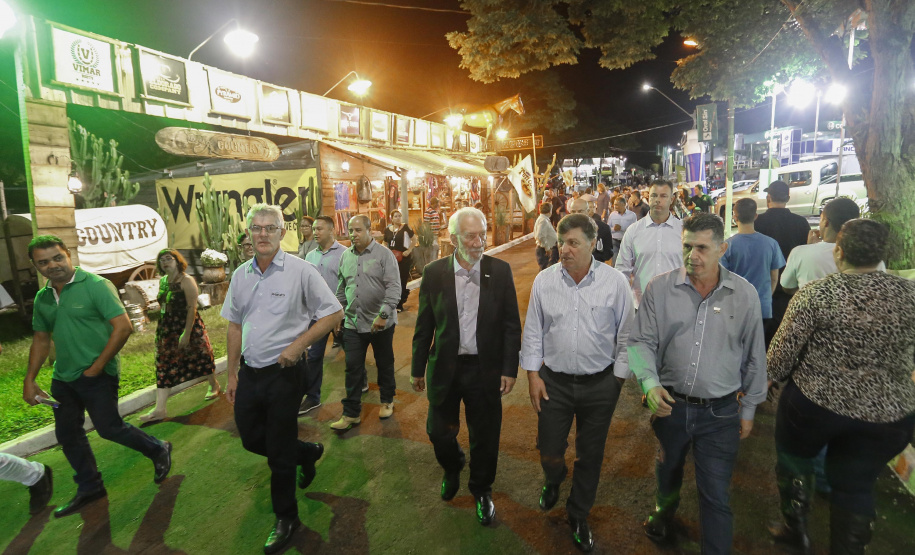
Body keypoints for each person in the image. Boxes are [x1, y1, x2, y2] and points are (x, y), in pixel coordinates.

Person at [767, 219, 915, 555]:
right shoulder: (911, 296)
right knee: (856, 486)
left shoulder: (817, 295)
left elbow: (778, 359)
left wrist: (769, 380)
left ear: (839, 250)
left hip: (814, 406)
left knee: (795, 462)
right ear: (881, 255)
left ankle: (795, 528)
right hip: (887, 416)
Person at [628, 213, 767, 554]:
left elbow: (754, 357)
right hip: (671, 408)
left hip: (720, 414)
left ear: (723, 248)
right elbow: (639, 342)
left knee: (715, 495)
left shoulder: (744, 295)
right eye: (687, 246)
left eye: (702, 248)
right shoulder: (659, 289)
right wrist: (648, 382)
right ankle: (664, 510)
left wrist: (748, 407)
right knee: (668, 467)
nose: (693, 256)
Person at [23, 235, 172, 518]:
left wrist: (97, 367)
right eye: (43, 262)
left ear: (68, 254)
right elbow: (41, 339)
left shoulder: (95, 285)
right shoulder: (43, 298)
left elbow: (123, 327)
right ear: (35, 265)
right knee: (68, 434)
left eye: (57, 258)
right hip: (63, 378)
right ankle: (90, 487)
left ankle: (158, 448)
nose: (52, 265)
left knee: (109, 428)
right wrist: (30, 379)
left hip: (98, 374)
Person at [222, 204, 341, 554]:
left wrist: (298, 344)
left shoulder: (301, 271)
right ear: (249, 233)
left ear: (281, 232)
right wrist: (231, 373)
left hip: (286, 374)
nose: (262, 234)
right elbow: (232, 323)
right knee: (249, 437)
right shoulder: (241, 274)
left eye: (269, 228)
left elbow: (334, 312)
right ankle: (306, 452)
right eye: (256, 228)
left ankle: (286, 517)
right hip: (250, 372)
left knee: (277, 451)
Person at [521, 214, 634, 553]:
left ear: (593, 244)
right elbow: (533, 332)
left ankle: (578, 512)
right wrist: (532, 375)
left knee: (590, 454)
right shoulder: (544, 281)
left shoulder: (614, 283)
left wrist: (616, 380)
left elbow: (627, 334)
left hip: (600, 384)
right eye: (561, 242)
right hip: (553, 382)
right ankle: (553, 479)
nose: (565, 250)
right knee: (550, 448)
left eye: (573, 243)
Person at [411, 207, 521, 527]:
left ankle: (482, 490)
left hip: (484, 369)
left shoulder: (499, 271)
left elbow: (511, 325)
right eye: (470, 236)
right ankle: (452, 464)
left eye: (482, 234)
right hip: (445, 367)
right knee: (437, 431)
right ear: (453, 237)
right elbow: (424, 325)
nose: (478, 242)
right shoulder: (434, 273)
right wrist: (418, 367)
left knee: (485, 435)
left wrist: (509, 368)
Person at [331, 215, 402, 431]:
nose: (353, 234)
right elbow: (342, 288)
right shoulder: (346, 256)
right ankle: (351, 413)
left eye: (358, 230)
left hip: (380, 324)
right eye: (351, 230)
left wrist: (383, 314)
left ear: (370, 230)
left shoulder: (384, 255)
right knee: (353, 368)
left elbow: (393, 287)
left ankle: (387, 400)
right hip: (353, 323)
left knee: (384, 363)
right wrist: (337, 314)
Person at [139, 249, 220, 422]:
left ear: (177, 261)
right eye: (162, 260)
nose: (165, 262)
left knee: (202, 355)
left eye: (169, 259)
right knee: (164, 364)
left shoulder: (187, 280)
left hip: (186, 325)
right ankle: (160, 409)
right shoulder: (163, 281)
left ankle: (214, 384)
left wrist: (187, 333)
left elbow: (192, 308)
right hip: (167, 328)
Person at [753, 181, 811, 346]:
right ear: (788, 198)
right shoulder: (801, 223)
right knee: (784, 341)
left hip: (761, 290)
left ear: (768, 198)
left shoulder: (758, 222)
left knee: (761, 343)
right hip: (789, 291)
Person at [299, 216, 346, 416]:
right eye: (314, 229)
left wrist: (340, 313)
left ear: (331, 230)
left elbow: (348, 284)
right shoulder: (310, 256)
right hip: (317, 315)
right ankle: (313, 397)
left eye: (319, 229)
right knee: (314, 355)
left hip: (339, 314)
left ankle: (359, 381)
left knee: (352, 353)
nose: (315, 232)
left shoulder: (345, 254)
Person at [781, 197, 871, 294]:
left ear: (826, 222)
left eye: (821, 219)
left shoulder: (799, 252)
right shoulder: (869, 256)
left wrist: (809, 248)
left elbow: (788, 287)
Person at [615, 180, 683, 307]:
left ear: (672, 199)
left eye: (663, 196)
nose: (658, 200)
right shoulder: (633, 231)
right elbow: (622, 270)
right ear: (648, 197)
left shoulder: (683, 231)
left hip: (676, 306)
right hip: (641, 307)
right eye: (654, 195)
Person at [720, 198, 786, 327]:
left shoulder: (727, 246)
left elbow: (724, 280)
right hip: (763, 308)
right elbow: (774, 278)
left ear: (735, 217)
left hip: (737, 308)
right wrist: (766, 297)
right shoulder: (771, 243)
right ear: (756, 216)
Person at [383, 209, 415, 311]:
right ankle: (392, 302)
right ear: (391, 218)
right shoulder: (387, 230)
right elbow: (384, 242)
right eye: (395, 216)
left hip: (404, 258)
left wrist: (409, 250)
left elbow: (414, 239)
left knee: (401, 280)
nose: (398, 218)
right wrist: (386, 251)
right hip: (392, 259)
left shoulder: (405, 228)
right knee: (392, 280)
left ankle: (399, 304)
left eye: (399, 216)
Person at [570, 198, 612, 263]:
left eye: (580, 211)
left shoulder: (603, 228)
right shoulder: (565, 228)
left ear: (588, 211)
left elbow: (608, 253)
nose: (576, 214)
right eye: (573, 211)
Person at [607, 196, 637, 262]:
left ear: (623, 204)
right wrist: (614, 229)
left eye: (616, 204)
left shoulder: (632, 215)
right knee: (615, 260)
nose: (615, 206)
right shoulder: (612, 215)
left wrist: (622, 228)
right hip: (615, 241)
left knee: (626, 261)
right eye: (614, 204)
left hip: (627, 242)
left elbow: (635, 230)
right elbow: (608, 228)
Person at [533, 202, 559, 271]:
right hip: (544, 250)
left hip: (544, 249)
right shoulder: (543, 220)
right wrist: (547, 248)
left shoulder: (543, 219)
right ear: (549, 211)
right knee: (545, 270)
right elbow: (540, 235)